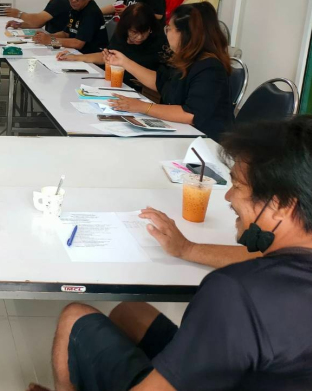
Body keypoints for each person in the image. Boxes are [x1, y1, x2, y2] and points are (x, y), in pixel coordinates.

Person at [40, 116, 312, 391]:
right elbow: (261, 260)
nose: (228, 197)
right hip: (261, 373)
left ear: (281, 205)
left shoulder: (236, 293)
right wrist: (187, 249)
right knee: (129, 312)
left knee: (74, 316)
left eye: (238, 186)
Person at [106, 4, 233, 141]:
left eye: (169, 28)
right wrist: (124, 62)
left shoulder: (210, 68)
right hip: (181, 130)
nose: (166, 33)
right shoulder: (185, 58)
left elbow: (190, 114)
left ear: (184, 33)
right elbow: (161, 81)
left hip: (205, 140)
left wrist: (142, 107)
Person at [57, 3, 167, 85]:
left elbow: (159, 79)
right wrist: (76, 57)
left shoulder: (158, 41)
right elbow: (107, 56)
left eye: (144, 32)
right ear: (126, 28)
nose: (139, 37)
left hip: (139, 89)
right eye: (134, 32)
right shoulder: (121, 34)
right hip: (113, 83)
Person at [34, 0, 107, 54]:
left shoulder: (91, 13)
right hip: (76, 52)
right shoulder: (75, 9)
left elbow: (78, 43)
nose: (73, 0)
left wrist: (50, 40)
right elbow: (66, 34)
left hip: (92, 56)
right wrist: (47, 36)